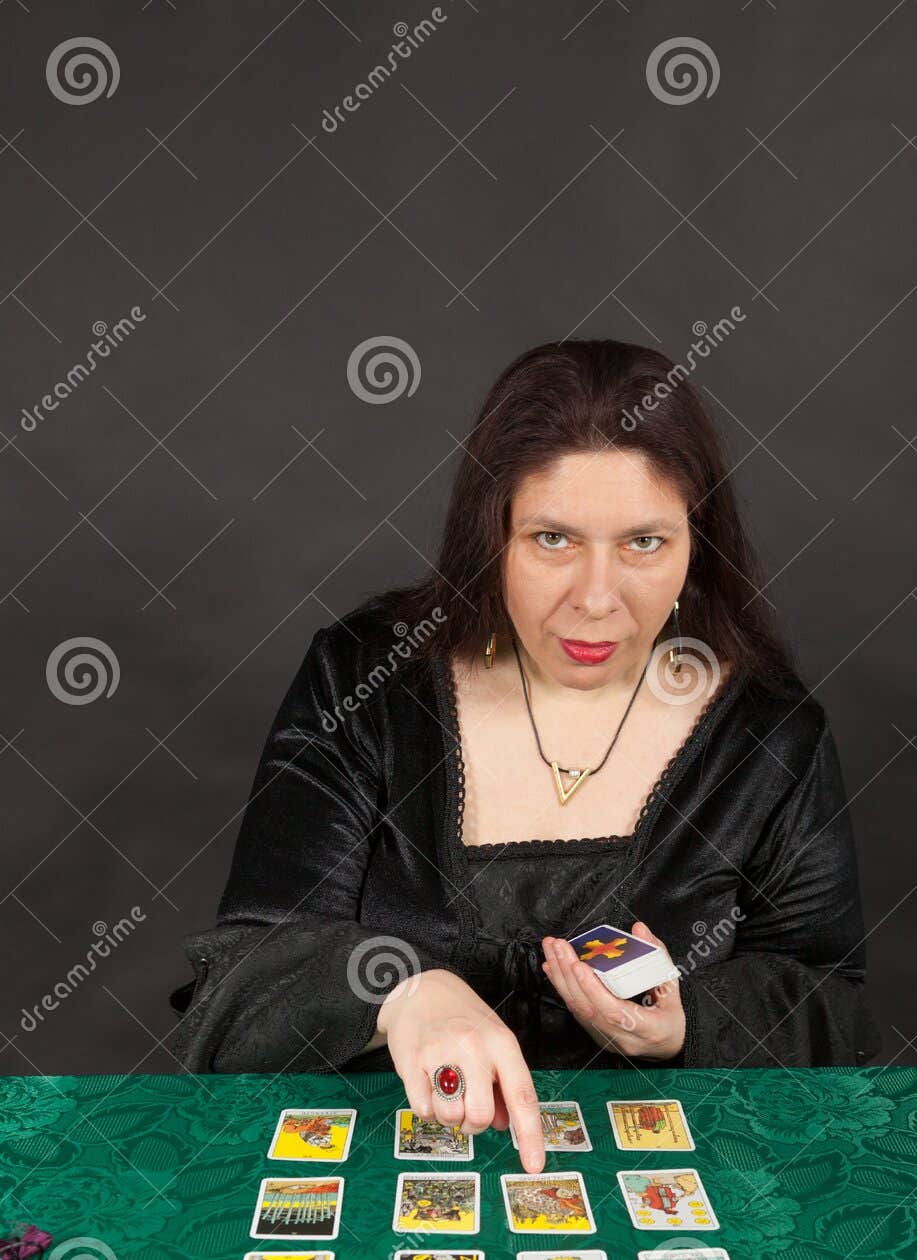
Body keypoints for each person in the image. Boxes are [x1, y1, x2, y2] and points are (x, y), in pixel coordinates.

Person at [170, 339, 880, 1173]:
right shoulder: (367, 679)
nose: (595, 596)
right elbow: (240, 982)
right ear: (490, 539)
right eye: (551, 539)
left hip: (659, 1194)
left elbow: (834, 1007)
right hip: (381, 1187)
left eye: (644, 543)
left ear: (697, 547)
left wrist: (692, 1018)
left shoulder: (770, 732)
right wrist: (399, 994)